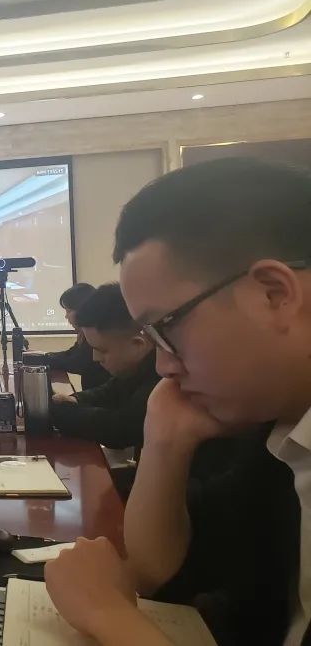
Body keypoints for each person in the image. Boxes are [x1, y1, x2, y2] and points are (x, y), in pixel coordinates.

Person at [45, 158, 311, 646]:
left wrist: (109, 617)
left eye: (165, 328)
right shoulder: (279, 436)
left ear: (275, 294)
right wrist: (165, 441)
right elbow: (155, 572)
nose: (163, 366)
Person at [49, 283, 158, 452]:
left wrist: (61, 414)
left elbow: (122, 428)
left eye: (102, 350)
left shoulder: (161, 377)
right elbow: (111, 390)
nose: (95, 358)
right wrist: (77, 399)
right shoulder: (137, 368)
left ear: (138, 345)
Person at [44, 283, 110, 390]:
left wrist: (42, 359)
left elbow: (76, 362)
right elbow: (71, 354)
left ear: (83, 309)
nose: (66, 316)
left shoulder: (97, 333)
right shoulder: (84, 333)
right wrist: (43, 356)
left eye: (69, 311)